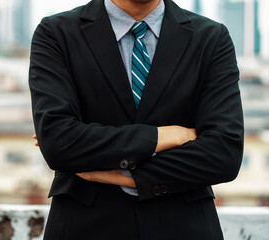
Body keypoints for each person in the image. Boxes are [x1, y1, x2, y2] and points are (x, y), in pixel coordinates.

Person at [28, 0, 244, 239]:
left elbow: (223, 154)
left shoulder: (211, 38)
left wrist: (124, 176)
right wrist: (161, 137)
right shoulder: (57, 33)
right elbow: (59, 142)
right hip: (85, 226)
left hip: (184, 226)